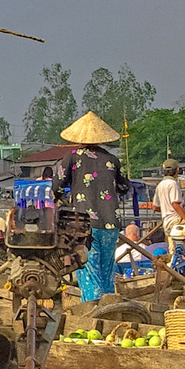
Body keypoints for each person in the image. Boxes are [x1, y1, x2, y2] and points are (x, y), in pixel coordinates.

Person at [53, 112, 128, 302]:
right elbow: (124, 186)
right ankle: (108, 301)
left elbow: (57, 186)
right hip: (111, 221)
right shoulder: (112, 160)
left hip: (84, 223)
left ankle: (93, 307)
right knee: (106, 268)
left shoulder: (72, 157)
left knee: (88, 267)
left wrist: (61, 198)